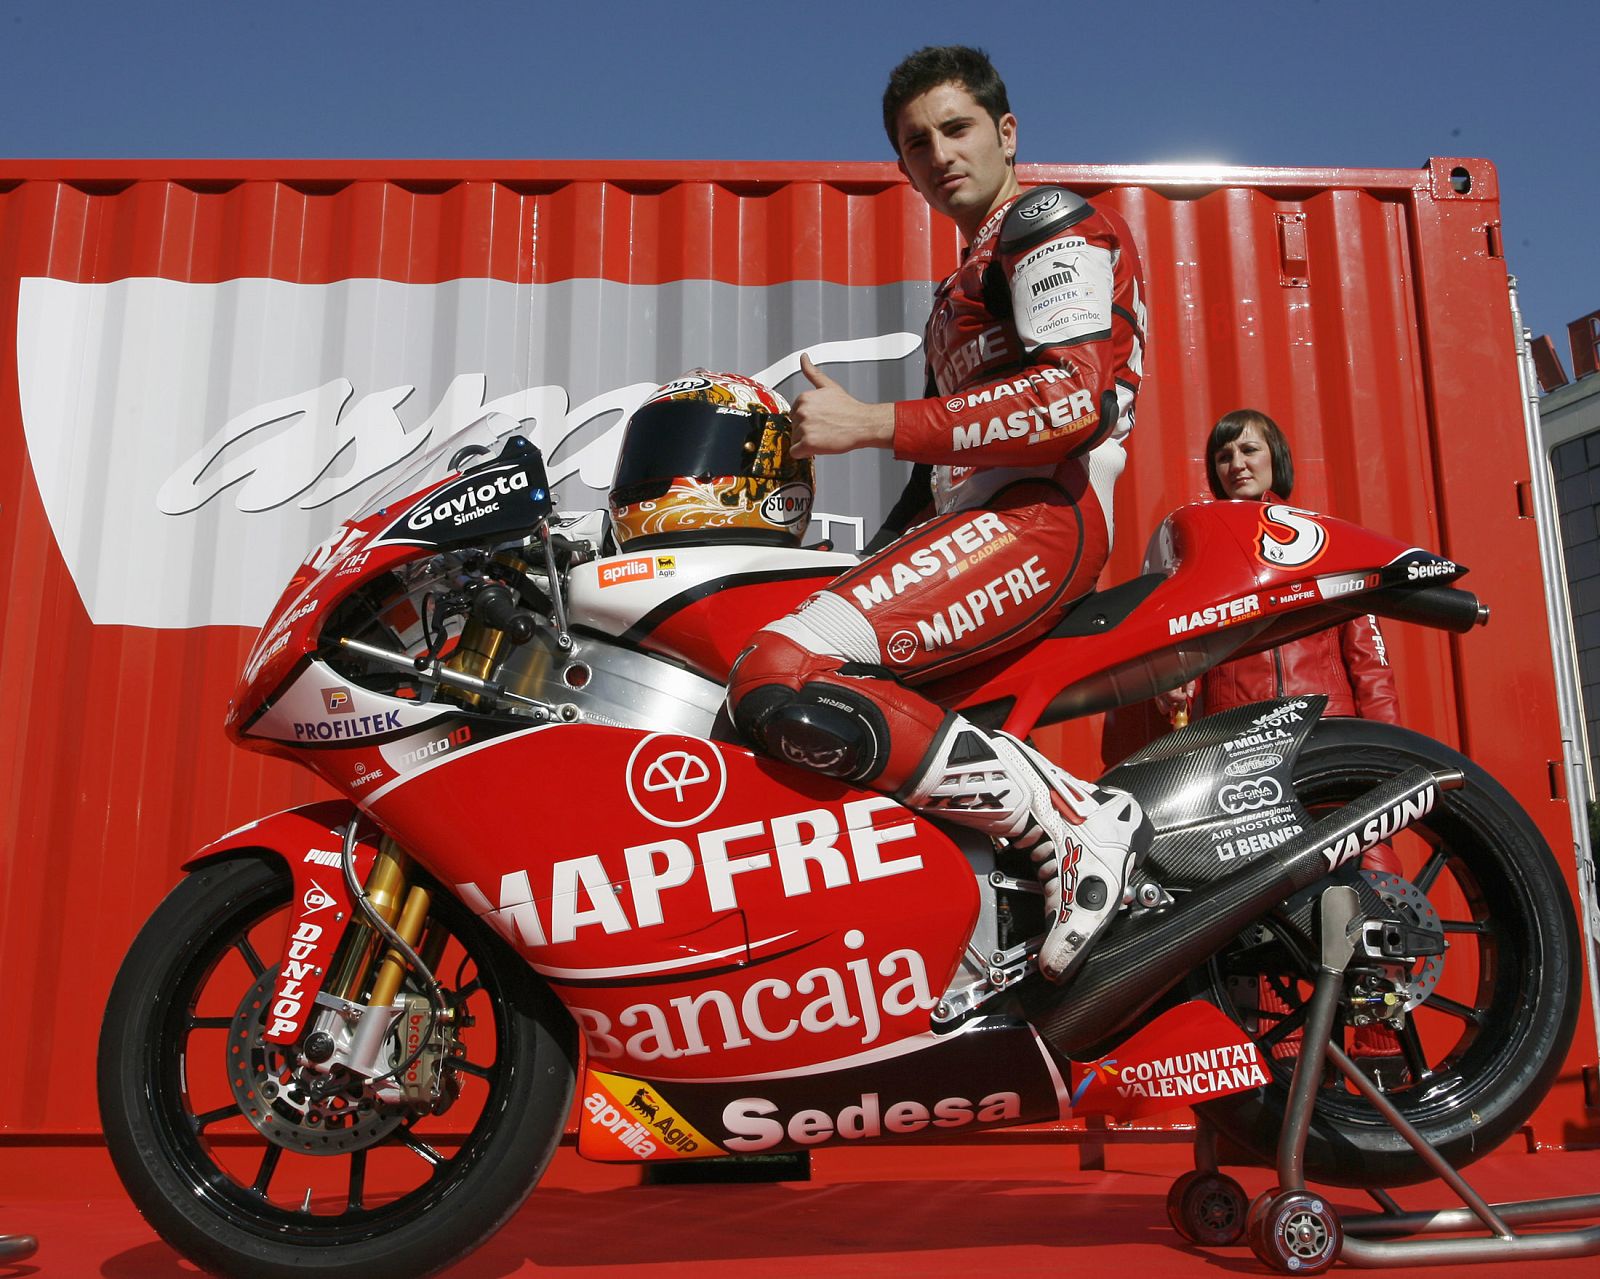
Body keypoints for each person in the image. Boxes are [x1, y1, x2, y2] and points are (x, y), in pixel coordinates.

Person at [720, 45, 1152, 984]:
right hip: (980, 528)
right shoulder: (958, 288)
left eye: (957, 129)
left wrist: (868, 422)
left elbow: (1071, 399)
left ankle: (1076, 821)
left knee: (780, 670)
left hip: (1042, 517)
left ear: (1007, 132)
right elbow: (935, 479)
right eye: (917, 143)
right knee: (810, 694)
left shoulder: (1046, 221)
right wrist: (846, 573)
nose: (940, 154)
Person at [1154, 409, 1399, 726]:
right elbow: (1188, 653)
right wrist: (1172, 684)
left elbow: (1370, 662)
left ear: (1275, 457)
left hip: (1324, 724)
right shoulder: (1202, 556)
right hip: (1238, 729)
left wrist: (1386, 742)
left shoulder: (1325, 542)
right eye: (1224, 457)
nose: (1237, 464)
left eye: (1249, 450)